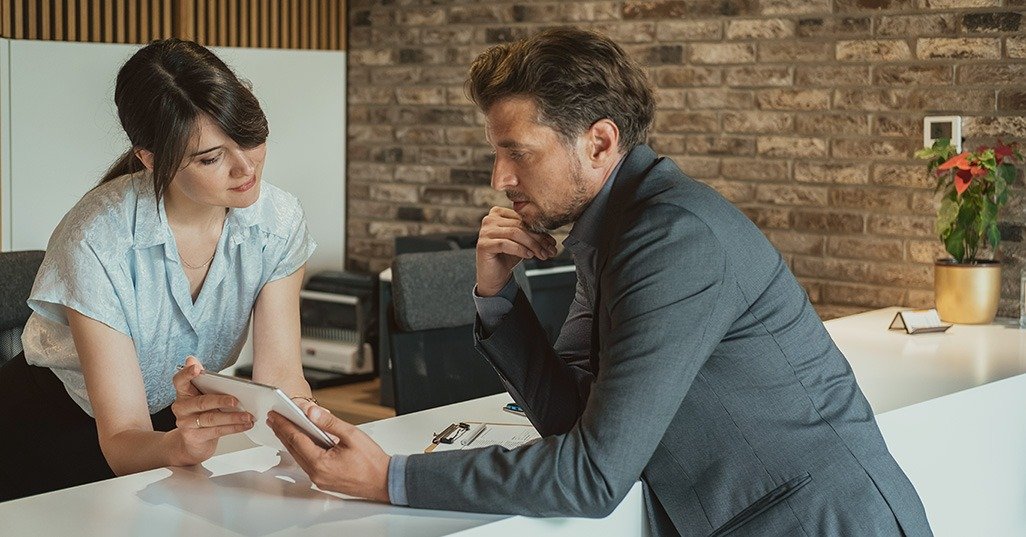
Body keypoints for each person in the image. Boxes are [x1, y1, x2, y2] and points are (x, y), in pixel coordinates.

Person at [268, 27, 932, 535]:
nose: (500, 178)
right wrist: (498, 300)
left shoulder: (672, 239)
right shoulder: (611, 229)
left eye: (517, 152)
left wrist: (390, 477)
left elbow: (592, 476)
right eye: (497, 153)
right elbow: (572, 422)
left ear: (599, 142)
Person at [0, 39, 317, 501]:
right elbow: (122, 439)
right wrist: (178, 445)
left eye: (249, 136)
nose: (245, 167)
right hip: (46, 427)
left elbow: (282, 376)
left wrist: (309, 428)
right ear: (150, 158)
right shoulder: (98, 237)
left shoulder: (278, 222)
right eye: (210, 158)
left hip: (168, 418)